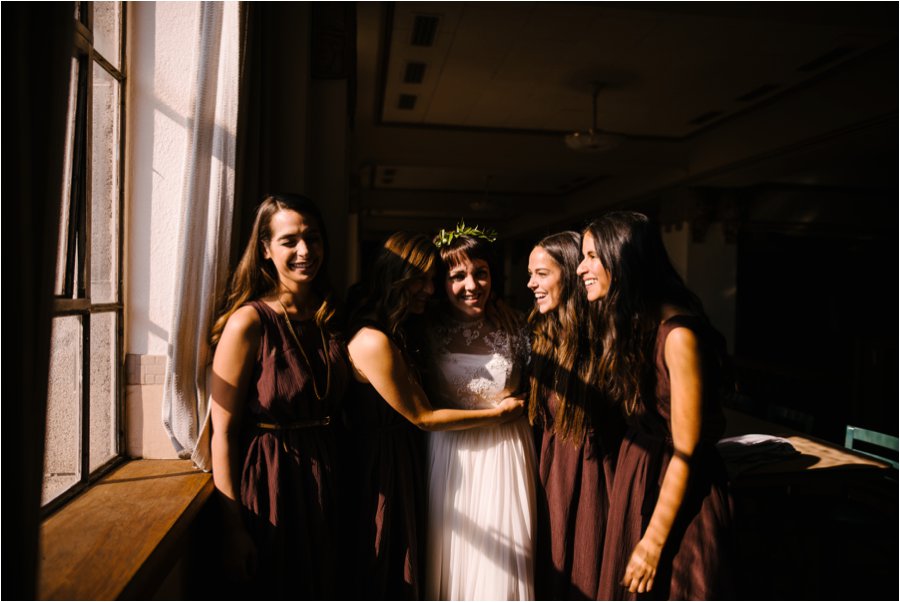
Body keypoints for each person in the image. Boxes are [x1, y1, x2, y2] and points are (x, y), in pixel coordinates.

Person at [343, 231, 525, 600]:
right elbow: (423, 416)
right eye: (421, 278)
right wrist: (500, 415)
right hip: (385, 462)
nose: (429, 288)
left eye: (431, 278)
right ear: (397, 277)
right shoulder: (373, 338)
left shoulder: (408, 326)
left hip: (414, 454)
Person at [577, 211, 734, 600]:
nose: (581, 268)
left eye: (592, 256)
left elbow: (687, 452)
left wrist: (652, 543)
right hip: (639, 479)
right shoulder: (634, 328)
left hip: (678, 497)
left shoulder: (678, 337)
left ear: (623, 260)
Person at [209, 194, 349, 598]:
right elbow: (223, 433)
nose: (305, 251)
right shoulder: (248, 323)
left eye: (314, 238)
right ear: (266, 250)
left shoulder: (331, 316)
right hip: (272, 478)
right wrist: (232, 528)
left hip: (329, 471)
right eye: (290, 241)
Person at [424, 223, 538, 601]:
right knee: (458, 548)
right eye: (458, 276)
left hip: (506, 452)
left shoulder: (516, 324)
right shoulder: (425, 331)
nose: (472, 285)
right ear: (441, 282)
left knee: (505, 560)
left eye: (481, 273)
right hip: (451, 454)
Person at [526, 231, 623, 600]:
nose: (531, 283)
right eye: (531, 274)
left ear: (568, 274)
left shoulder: (604, 338)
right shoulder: (538, 336)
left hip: (596, 477)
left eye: (541, 273)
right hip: (549, 475)